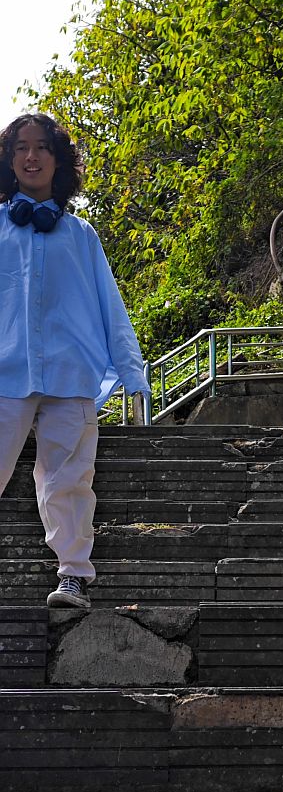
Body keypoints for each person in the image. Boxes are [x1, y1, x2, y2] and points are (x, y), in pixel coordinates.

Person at [0, 113, 150, 609]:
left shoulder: (81, 234)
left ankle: (73, 576)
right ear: (9, 159)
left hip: (71, 373)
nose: (31, 156)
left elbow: (110, 303)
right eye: (21, 147)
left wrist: (132, 370)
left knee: (69, 480)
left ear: (58, 159)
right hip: (5, 372)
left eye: (42, 147)